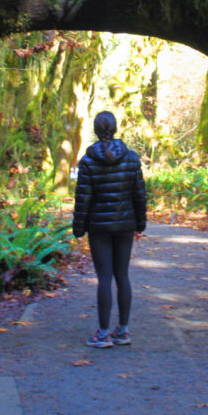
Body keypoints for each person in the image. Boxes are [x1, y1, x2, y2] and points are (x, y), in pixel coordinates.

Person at [72, 111, 147, 348]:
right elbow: (139, 195)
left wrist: (78, 229)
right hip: (125, 225)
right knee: (122, 275)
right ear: (115, 129)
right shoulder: (132, 158)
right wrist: (140, 224)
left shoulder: (88, 161)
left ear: (95, 131)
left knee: (104, 278)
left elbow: (83, 199)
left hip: (99, 227)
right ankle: (122, 331)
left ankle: (103, 334)